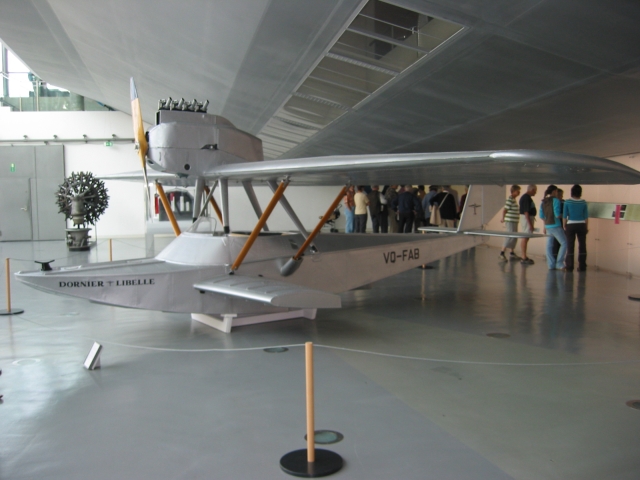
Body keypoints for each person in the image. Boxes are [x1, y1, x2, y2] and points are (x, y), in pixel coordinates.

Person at [539, 185, 567, 270]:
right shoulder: (556, 200)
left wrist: (545, 224)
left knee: (549, 245)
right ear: (554, 191)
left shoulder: (543, 201)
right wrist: (564, 215)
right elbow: (557, 214)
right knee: (564, 243)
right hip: (556, 225)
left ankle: (551, 264)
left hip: (548, 225)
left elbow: (541, 216)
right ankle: (559, 263)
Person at [563, 184, 589, 271]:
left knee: (570, 246)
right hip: (581, 224)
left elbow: (565, 215)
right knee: (582, 245)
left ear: (572, 192)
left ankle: (569, 266)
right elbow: (586, 216)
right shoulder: (583, 202)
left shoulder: (567, 202)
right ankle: (582, 266)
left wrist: (564, 225)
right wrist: (586, 227)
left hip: (570, 224)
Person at [499, 185, 521, 261]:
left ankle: (512, 252)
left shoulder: (514, 200)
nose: (519, 192)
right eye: (517, 191)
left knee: (514, 237)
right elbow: (505, 210)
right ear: (513, 191)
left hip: (514, 221)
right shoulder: (510, 199)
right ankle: (502, 253)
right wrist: (503, 218)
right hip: (510, 221)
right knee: (509, 236)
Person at [519, 184, 537, 264]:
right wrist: (530, 225)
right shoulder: (526, 198)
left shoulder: (527, 197)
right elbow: (526, 212)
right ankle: (523, 256)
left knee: (526, 237)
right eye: (535, 190)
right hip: (527, 219)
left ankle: (524, 256)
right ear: (532, 190)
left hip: (528, 218)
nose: (535, 192)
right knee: (525, 237)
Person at [551, 188, 565, 261]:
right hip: (559, 224)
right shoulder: (560, 203)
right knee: (561, 242)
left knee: (554, 242)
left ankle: (554, 258)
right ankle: (558, 259)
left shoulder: (550, 202)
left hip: (551, 224)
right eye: (561, 195)